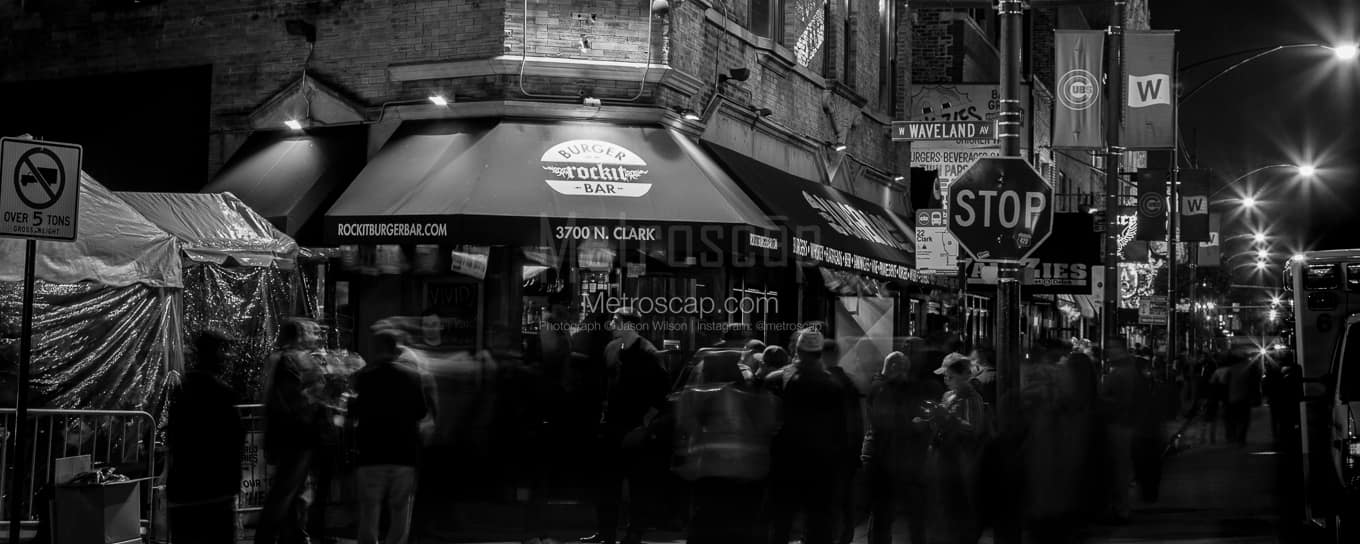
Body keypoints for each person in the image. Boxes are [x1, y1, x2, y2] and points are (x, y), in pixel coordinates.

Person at [581, 308, 671, 544]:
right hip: (612, 424)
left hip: (634, 426)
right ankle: (606, 532)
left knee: (637, 483)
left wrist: (645, 423)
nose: (611, 324)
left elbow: (662, 392)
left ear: (629, 325)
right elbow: (605, 383)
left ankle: (634, 532)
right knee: (607, 482)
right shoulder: (611, 348)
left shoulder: (648, 352)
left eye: (616, 321)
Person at [675, 343, 781, 544]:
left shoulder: (699, 394)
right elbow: (769, 427)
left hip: (712, 474)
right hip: (750, 475)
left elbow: (686, 427)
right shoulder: (759, 396)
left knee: (707, 528)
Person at [766, 327, 849, 544]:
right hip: (822, 464)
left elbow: (775, 421)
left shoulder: (783, 381)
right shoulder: (833, 385)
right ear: (820, 352)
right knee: (819, 523)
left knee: (782, 521)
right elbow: (841, 429)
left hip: (789, 461)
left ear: (798, 351)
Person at [351, 329, 428, 544]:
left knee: (369, 509)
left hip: (371, 453)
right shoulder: (412, 376)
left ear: (376, 349)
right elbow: (421, 411)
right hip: (403, 453)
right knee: (400, 509)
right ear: (396, 350)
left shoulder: (364, 376)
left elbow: (353, 410)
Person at [167, 330, 245, 544]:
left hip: (184, 491)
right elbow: (234, 440)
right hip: (214, 492)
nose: (227, 358)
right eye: (223, 351)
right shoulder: (222, 394)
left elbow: (174, 437)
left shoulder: (182, 390)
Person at [256, 318, 327, 544]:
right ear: (299, 335)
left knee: (295, 490)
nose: (316, 337)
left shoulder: (279, 358)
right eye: (312, 332)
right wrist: (321, 394)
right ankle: (270, 537)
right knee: (286, 490)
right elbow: (297, 399)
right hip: (297, 436)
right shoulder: (293, 359)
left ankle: (294, 534)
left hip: (287, 435)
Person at [861, 351, 941, 544]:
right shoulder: (883, 390)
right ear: (894, 368)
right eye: (903, 369)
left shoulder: (882, 388)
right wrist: (915, 425)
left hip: (888, 456)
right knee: (890, 511)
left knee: (884, 511)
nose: (906, 373)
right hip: (887, 457)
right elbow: (889, 422)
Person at [921, 353, 988, 544]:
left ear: (963, 375)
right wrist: (930, 420)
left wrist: (948, 418)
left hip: (961, 461)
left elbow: (974, 429)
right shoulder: (948, 395)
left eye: (950, 376)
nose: (946, 380)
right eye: (945, 376)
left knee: (958, 507)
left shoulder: (972, 399)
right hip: (943, 458)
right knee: (942, 506)